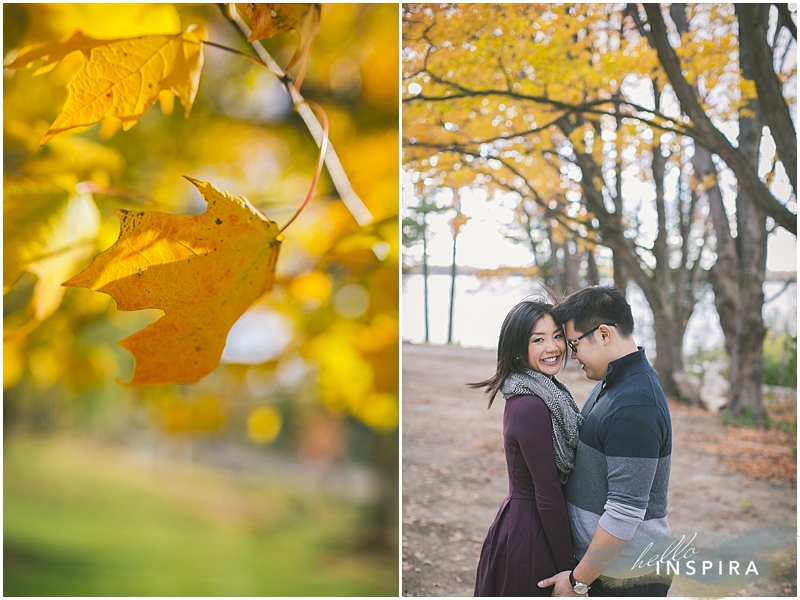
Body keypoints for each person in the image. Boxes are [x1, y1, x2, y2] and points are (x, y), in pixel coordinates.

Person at [539, 285, 672, 597]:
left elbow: (625, 512)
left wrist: (577, 582)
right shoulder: (614, 383)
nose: (572, 355)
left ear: (602, 334)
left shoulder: (636, 405)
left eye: (574, 344)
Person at [470, 299, 584, 597]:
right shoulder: (531, 404)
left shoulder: (545, 393)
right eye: (538, 340)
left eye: (557, 336)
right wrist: (569, 571)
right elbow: (546, 491)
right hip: (532, 534)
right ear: (519, 348)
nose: (553, 347)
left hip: (532, 525)